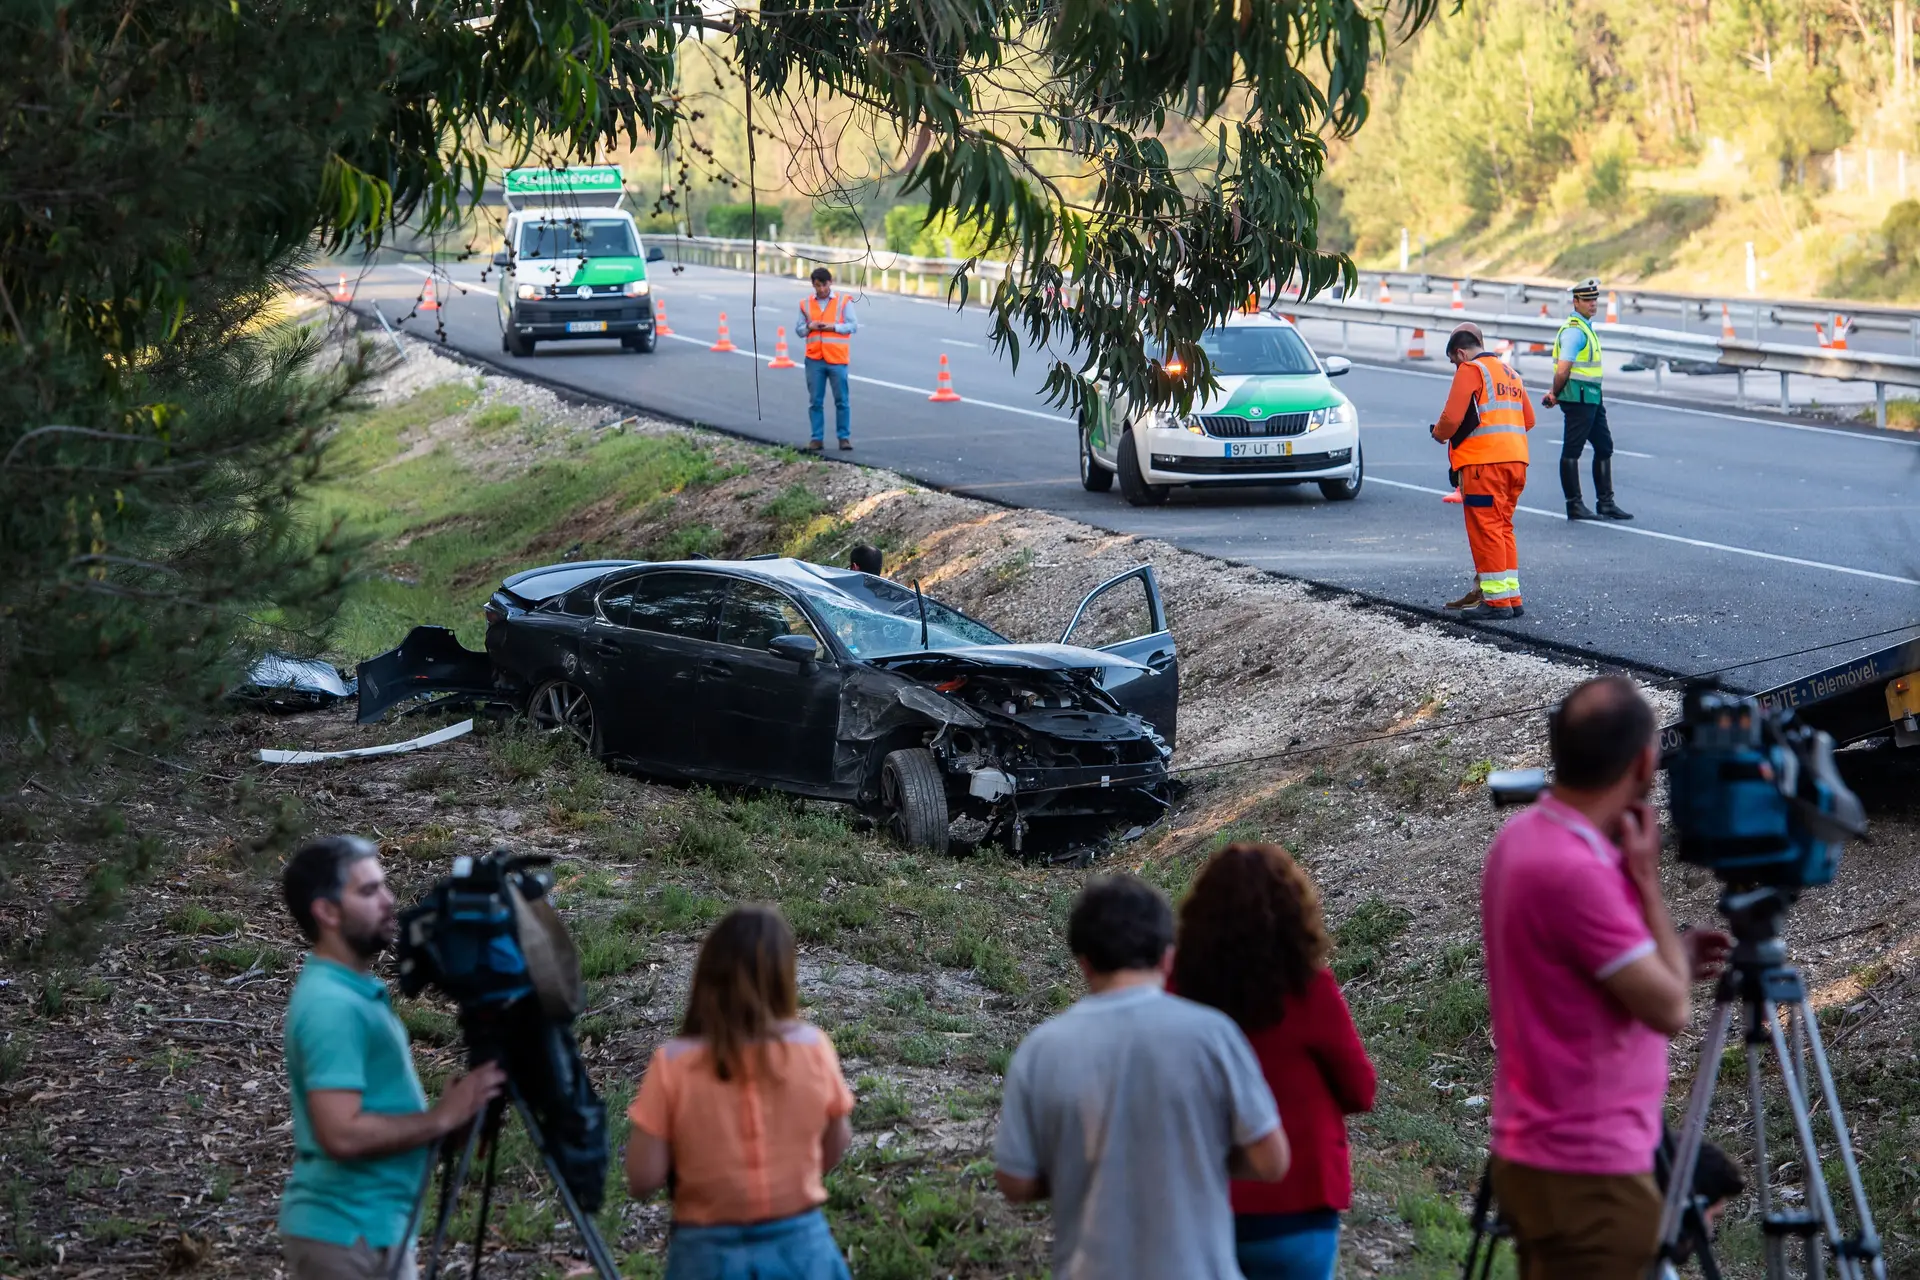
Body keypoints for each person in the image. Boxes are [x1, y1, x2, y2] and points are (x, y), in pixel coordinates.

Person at [1481, 677, 1732, 1280]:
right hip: (1589, 1173)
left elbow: (1600, 971)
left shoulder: (1521, 840)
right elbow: (1671, 1010)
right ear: (1645, 761)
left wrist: (1667, 949)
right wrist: (1646, 880)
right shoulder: (1577, 873)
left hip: (1538, 1152)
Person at [993, 874, 1290, 1280]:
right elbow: (1272, 1161)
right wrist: (1197, 1156)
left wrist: (1083, 1166)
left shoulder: (1040, 1050)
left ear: (1084, 962)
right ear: (1168, 958)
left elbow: (1014, 1182)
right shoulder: (1213, 1036)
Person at [279, 836, 505, 1280]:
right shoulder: (332, 1006)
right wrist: (441, 1117)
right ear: (326, 912)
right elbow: (341, 1135)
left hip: (374, 1228)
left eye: (383, 886)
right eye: (368, 892)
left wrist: (449, 1128)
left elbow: (373, 1114)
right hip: (345, 1235)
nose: (389, 901)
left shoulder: (352, 991)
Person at [1170, 843, 1376, 1280]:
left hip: (1198, 1202)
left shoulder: (1178, 986)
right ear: (1293, 913)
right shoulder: (1309, 988)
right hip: (1296, 1205)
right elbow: (1360, 1090)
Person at [625, 905, 855, 1280]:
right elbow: (836, 1145)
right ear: (785, 977)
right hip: (802, 1249)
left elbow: (643, 1177)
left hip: (707, 1254)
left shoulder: (673, 1063)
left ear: (707, 974)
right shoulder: (814, 1048)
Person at [1430, 322, 1534, 620]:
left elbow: (1451, 418)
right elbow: (1528, 420)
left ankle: (1496, 603)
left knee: (1486, 529)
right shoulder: (1510, 372)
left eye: (1453, 362)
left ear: (1461, 353)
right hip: (1517, 463)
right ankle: (1511, 597)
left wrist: (1439, 434)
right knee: (1503, 527)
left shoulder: (1471, 371)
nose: (1455, 367)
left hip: (1484, 466)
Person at [1541, 278, 1632, 522]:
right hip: (1579, 399)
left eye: (1595, 299)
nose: (1593, 304)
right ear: (1576, 301)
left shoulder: (1585, 327)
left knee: (1604, 447)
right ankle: (1575, 504)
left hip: (1591, 397)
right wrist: (1555, 393)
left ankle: (1606, 503)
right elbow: (1563, 369)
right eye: (1587, 300)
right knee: (1572, 451)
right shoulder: (1574, 331)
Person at [800, 266, 858, 452]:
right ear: (813, 285)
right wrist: (811, 326)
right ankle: (816, 438)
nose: (822, 289)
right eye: (818, 286)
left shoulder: (843, 301)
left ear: (830, 283)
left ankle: (844, 437)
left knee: (842, 400)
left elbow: (852, 326)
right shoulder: (806, 304)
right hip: (814, 358)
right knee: (815, 401)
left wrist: (832, 327)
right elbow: (799, 329)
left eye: (824, 285)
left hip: (837, 358)